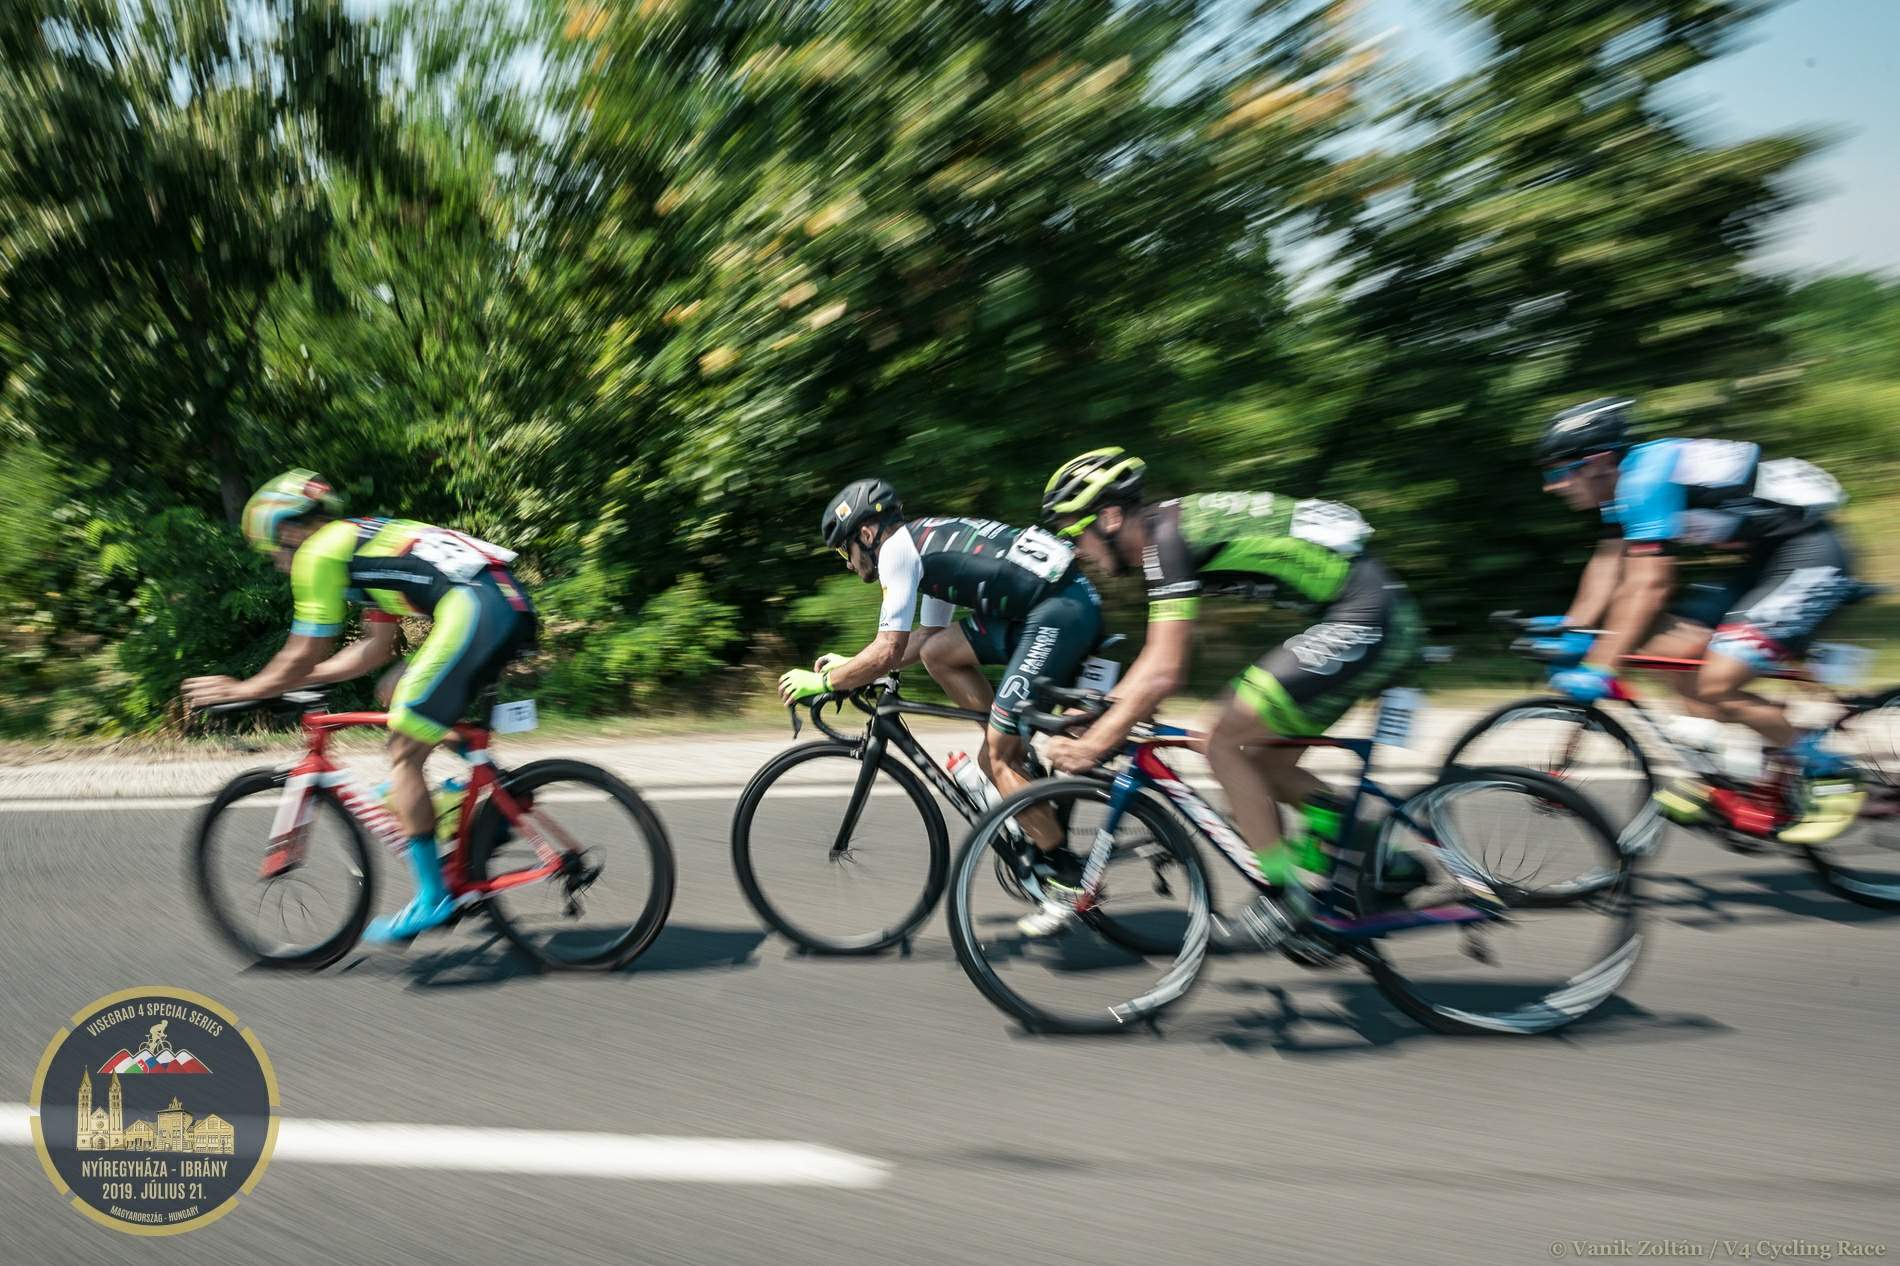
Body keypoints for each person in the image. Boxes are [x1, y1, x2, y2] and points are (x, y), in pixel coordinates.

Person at [1037, 448, 1426, 948]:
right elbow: (1156, 662)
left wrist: (1096, 743)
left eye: (1074, 533)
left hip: (1367, 615)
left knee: (1221, 739)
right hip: (1371, 609)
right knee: (1262, 762)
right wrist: (1107, 712)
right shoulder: (1167, 529)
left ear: (1109, 517)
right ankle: (1382, 860)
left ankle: (1284, 898)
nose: (1077, 550)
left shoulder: (1167, 542)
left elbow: (1164, 671)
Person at [182, 470, 538, 941]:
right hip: (505, 603)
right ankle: (479, 792)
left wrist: (245, 689)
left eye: (272, 552)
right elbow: (375, 648)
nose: (277, 564)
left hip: (474, 610)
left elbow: (303, 650)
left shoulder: (317, 553)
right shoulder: (360, 541)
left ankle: (433, 899)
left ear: (286, 531)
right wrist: (301, 680)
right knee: (394, 691)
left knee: (403, 752)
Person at [776, 478, 1106, 928]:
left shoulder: (897, 554)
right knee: (940, 653)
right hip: (1055, 602)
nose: (848, 564)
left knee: (996, 758)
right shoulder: (923, 541)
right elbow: (926, 639)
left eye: (844, 551)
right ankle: (1018, 764)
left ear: (866, 534)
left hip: (1056, 613)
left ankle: (1066, 879)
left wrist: (824, 682)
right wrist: (853, 665)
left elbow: (889, 650)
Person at [1533, 398, 1864, 839]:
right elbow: (1609, 565)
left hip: (1811, 554)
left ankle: (1830, 771)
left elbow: (1648, 585)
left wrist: (1599, 666)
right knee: (1674, 656)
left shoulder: (1646, 479)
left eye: (1559, 473)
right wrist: (1574, 628)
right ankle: (1741, 768)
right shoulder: (1618, 485)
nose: (1553, 487)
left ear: (1598, 462)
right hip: (1763, 560)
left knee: (1716, 683)